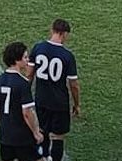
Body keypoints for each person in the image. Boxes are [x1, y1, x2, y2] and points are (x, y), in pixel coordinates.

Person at [30, 19, 80, 161]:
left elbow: (29, 74)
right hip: (59, 102)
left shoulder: (38, 48)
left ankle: (44, 157)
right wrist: (76, 104)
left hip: (41, 99)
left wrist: (25, 94)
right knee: (58, 136)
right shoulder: (67, 55)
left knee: (43, 131)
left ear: (52, 30)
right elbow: (74, 84)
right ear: (64, 34)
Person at [0, 42, 45, 161]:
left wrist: (1, 121)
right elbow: (27, 112)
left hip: (5, 136)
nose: (27, 60)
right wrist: (36, 133)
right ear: (17, 60)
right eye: (25, 57)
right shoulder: (22, 83)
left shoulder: (0, 79)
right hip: (22, 137)